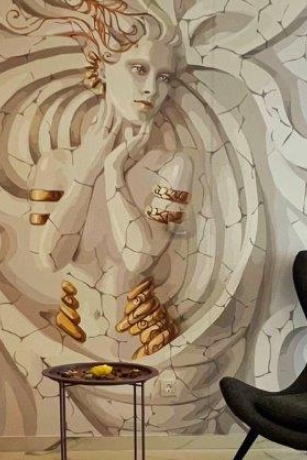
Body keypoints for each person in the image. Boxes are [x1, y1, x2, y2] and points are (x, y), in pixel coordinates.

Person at [26, 9, 196, 360]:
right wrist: (86, 175)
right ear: (103, 67)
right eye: (139, 69)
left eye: (164, 77)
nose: (152, 89)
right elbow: (50, 258)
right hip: (69, 341)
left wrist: (114, 170)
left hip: (147, 343)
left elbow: (138, 257)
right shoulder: (56, 165)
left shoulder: (173, 165)